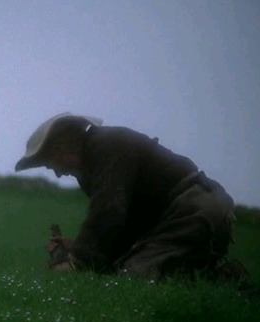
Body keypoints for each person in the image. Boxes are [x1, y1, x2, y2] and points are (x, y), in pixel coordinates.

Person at [15, 112, 245, 280]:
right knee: (121, 271)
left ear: (64, 146)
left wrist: (76, 261)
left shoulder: (107, 148)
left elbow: (108, 212)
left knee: (132, 280)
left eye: (51, 162)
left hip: (193, 209)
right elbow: (121, 227)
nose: (56, 173)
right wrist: (76, 247)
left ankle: (226, 283)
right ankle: (213, 279)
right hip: (186, 213)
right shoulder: (96, 161)